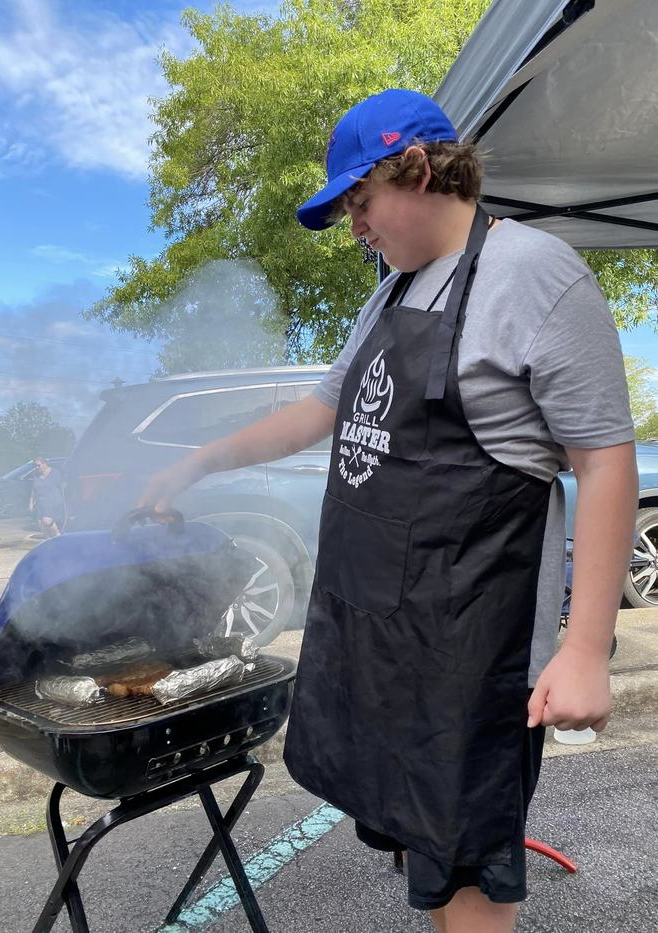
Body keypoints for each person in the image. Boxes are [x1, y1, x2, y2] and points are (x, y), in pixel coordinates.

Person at [138, 89, 638, 933]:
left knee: (469, 870)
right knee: (423, 861)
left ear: (416, 168)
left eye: (359, 204)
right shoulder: (390, 296)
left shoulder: (534, 274)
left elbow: (606, 459)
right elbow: (317, 412)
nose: (355, 228)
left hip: (474, 659)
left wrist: (587, 646)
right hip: (384, 641)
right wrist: (197, 461)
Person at [29, 458, 65, 537]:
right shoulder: (36, 475)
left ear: (45, 464)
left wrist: (66, 502)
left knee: (47, 521)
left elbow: (63, 488)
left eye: (38, 465)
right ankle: (48, 541)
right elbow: (33, 490)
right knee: (42, 525)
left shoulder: (56, 473)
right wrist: (31, 503)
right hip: (40, 504)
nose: (37, 468)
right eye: (35, 466)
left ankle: (58, 535)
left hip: (53, 502)